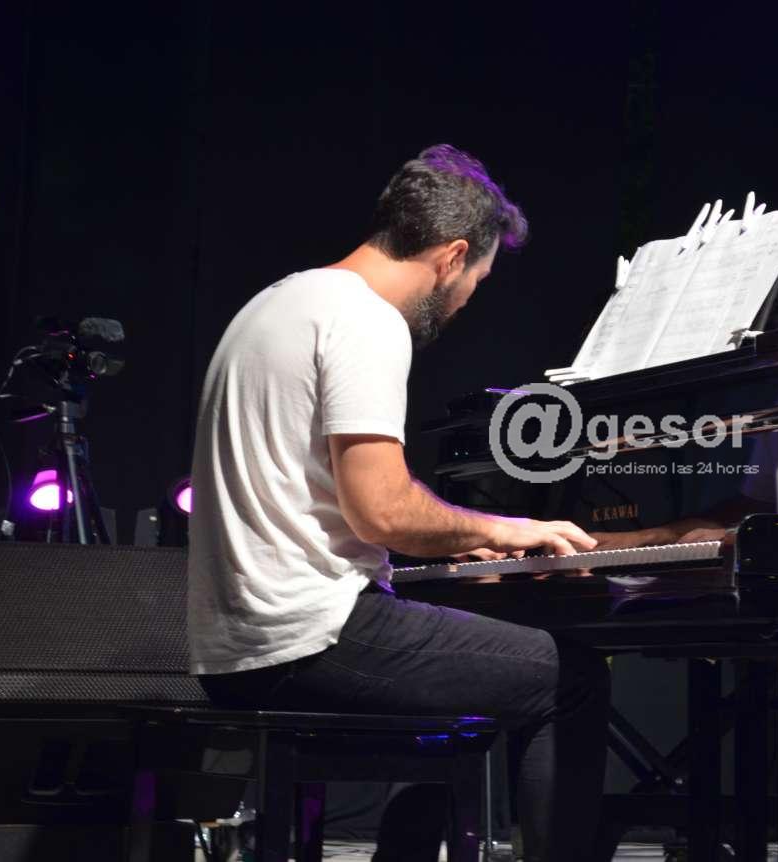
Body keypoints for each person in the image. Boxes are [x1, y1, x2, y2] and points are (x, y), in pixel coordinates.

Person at [187, 144, 609, 862]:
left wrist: (464, 537)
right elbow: (382, 512)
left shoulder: (278, 302)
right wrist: (506, 528)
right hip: (309, 639)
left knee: (473, 673)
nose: (469, 301)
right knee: (572, 679)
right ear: (452, 256)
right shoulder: (366, 320)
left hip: (236, 647)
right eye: (477, 279)